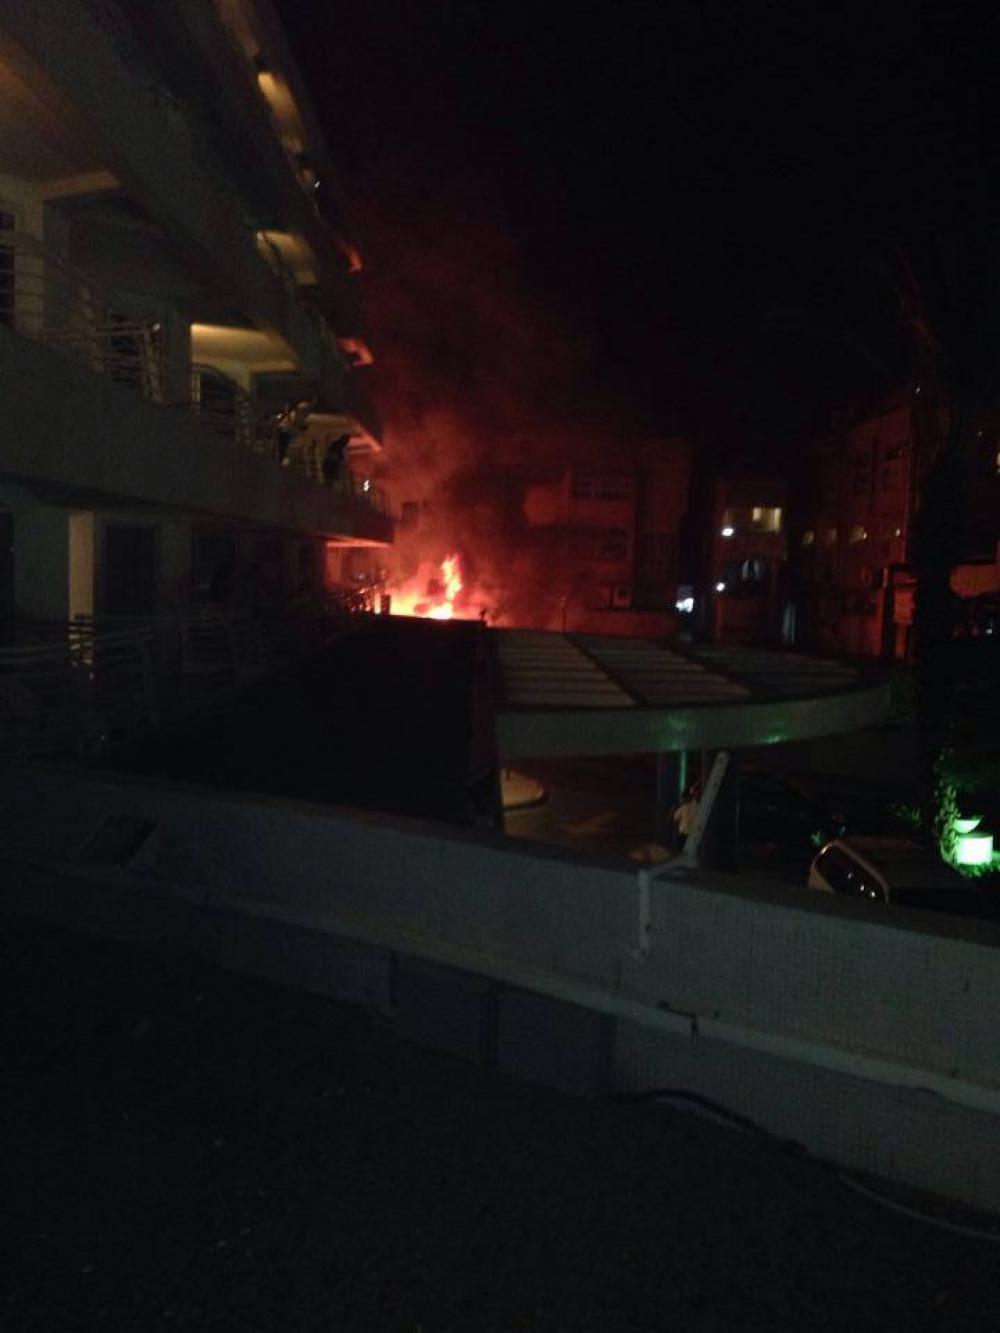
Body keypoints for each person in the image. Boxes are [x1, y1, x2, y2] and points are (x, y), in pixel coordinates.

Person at [670, 781, 701, 851]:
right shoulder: (697, 806)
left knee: (683, 851)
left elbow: (675, 817)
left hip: (684, 833)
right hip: (694, 833)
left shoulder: (683, 808)